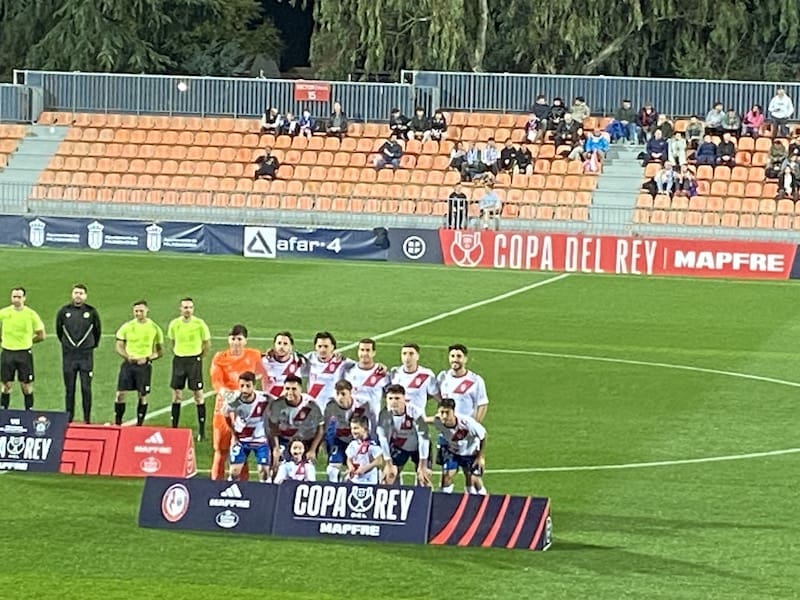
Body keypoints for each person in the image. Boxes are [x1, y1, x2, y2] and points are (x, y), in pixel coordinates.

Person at [209, 324, 266, 480]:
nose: (236, 342)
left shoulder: (254, 355)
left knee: (242, 447)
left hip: (246, 409)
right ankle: (216, 484)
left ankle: (243, 485)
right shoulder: (220, 358)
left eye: (239, 339)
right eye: (233, 339)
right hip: (224, 407)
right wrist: (227, 394)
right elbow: (216, 382)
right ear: (228, 339)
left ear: (245, 341)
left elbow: (271, 362)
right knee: (221, 448)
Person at [55, 284, 101, 422]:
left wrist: (90, 345)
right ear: (72, 294)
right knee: (69, 389)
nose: (78, 295)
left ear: (85, 296)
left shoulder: (91, 312)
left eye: (81, 293)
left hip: (85, 356)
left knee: (86, 388)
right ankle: (69, 418)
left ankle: (87, 419)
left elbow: (97, 331)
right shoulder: (64, 311)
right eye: (76, 292)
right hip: (69, 355)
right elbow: (59, 331)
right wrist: (68, 345)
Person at [114, 300, 163, 426]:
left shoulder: (154, 328)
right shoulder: (127, 326)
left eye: (141, 311)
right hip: (128, 364)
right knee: (120, 394)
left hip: (144, 366)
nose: (138, 313)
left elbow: (160, 352)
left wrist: (147, 358)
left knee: (142, 395)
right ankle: (118, 423)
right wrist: (127, 356)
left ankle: (139, 424)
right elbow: (119, 346)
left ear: (147, 311)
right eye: (136, 311)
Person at [167, 297, 211, 437]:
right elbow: (172, 341)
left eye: (190, 307)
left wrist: (198, 357)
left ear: (193, 309)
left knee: (198, 394)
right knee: (176, 394)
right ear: (180, 309)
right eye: (185, 307)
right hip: (179, 360)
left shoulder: (199, 324)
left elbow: (206, 343)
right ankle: (174, 428)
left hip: (194, 361)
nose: (188, 310)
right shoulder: (174, 324)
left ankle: (202, 430)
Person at [0, 287, 45, 410]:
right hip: (7, 352)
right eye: (14, 296)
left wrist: (29, 341)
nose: (16, 299)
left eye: (19, 297)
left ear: (24, 298)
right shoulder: (4, 313)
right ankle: (4, 410)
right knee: (6, 384)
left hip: (24, 353)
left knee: (26, 385)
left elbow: (41, 334)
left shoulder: (30, 314)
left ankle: (28, 410)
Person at [377, 384, 431, 486]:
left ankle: (423, 500)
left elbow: (424, 438)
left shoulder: (415, 412)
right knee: (389, 476)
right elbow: (383, 439)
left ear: (404, 399)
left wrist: (422, 463)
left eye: (397, 398)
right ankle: (396, 499)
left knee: (424, 478)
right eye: (390, 398)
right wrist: (388, 463)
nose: (393, 401)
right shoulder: (384, 415)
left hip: (418, 447)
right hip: (400, 446)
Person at [224, 371, 272, 482]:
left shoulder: (264, 398)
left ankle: (266, 497)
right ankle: (233, 495)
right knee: (234, 472)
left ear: (254, 386)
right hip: (241, 439)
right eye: (242, 386)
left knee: (264, 472)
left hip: (260, 439)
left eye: (248, 386)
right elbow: (226, 415)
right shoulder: (233, 400)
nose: (244, 389)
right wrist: (233, 434)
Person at [434, 397, 487, 495]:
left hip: (469, 452)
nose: (444, 416)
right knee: (447, 476)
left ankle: (482, 500)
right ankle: (443, 502)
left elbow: (483, 436)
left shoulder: (468, 423)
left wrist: (480, 457)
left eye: (447, 412)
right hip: (453, 452)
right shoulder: (437, 421)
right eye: (442, 412)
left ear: (453, 412)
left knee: (472, 479)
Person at [268, 374, 325, 464]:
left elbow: (320, 428)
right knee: (277, 466)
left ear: (300, 389)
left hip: (305, 440)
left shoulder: (311, 404)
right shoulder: (277, 405)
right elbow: (273, 428)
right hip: (285, 439)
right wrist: (276, 448)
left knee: (305, 469)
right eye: (287, 389)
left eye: (294, 389)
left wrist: (313, 449)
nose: (290, 392)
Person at [343, 338, 388, 431]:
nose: (364, 353)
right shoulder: (349, 371)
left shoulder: (381, 373)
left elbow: (389, 395)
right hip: (351, 421)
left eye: (368, 350)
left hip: (372, 422)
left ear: (374, 352)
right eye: (362, 350)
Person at [436, 344, 489, 422]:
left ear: (465, 359)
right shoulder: (442, 377)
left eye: (459, 356)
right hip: (445, 428)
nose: (455, 359)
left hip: (464, 428)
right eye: (452, 356)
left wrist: (475, 425)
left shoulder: (475, 380)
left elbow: (482, 404)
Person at [304, 331, 354, 409]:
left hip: (333, 406)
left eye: (326, 346)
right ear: (315, 347)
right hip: (313, 406)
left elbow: (361, 367)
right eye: (320, 346)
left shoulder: (341, 362)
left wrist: (379, 368)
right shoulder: (310, 358)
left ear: (332, 347)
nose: (322, 350)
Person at [388, 342, 440, 414]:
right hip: (396, 420)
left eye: (411, 354)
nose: (407, 357)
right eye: (404, 353)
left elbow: (436, 396)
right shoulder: (395, 372)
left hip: (417, 421)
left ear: (417, 356)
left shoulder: (426, 375)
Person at [323, 379, 358, 482]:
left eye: (343, 394)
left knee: (355, 471)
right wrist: (328, 447)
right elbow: (327, 429)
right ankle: (333, 491)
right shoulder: (330, 406)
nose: (340, 397)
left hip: (356, 442)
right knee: (332, 469)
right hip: (339, 441)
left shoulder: (361, 405)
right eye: (337, 393)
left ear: (350, 393)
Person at [261, 331, 307, 398]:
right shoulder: (264, 361)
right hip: (269, 404)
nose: (281, 346)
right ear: (274, 345)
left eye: (285, 344)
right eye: (279, 343)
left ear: (291, 347)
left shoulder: (299, 361)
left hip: (290, 404)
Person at [345, 414, 383, 485]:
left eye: (356, 428)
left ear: (365, 429)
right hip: (354, 480)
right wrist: (350, 467)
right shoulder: (353, 444)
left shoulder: (372, 444)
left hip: (369, 480)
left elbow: (379, 461)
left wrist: (365, 469)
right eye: (352, 428)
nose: (353, 431)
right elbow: (349, 458)